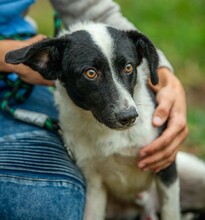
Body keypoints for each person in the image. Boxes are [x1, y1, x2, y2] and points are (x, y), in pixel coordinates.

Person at [0, 0, 188, 219]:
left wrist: (164, 73)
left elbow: (92, 10)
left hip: (22, 90)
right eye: (91, 73)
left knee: (53, 202)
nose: (126, 108)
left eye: (127, 68)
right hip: (25, 81)